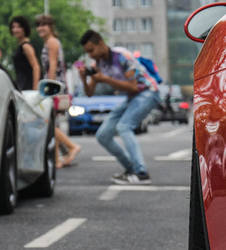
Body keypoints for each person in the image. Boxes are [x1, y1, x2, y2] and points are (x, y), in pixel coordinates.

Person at [77, 30, 161, 185]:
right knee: (102, 135)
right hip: (131, 98)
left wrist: (106, 79)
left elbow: (133, 87)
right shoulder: (97, 65)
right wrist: (84, 79)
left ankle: (142, 174)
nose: (90, 55)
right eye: (87, 52)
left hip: (149, 92)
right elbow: (89, 93)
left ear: (100, 44)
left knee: (124, 126)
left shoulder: (122, 56)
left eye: (91, 50)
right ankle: (131, 169)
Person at [35, 14, 81, 168]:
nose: (40, 28)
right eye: (38, 25)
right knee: (51, 122)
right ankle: (58, 158)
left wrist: (49, 86)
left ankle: (71, 147)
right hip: (56, 85)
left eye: (44, 24)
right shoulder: (50, 42)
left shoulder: (52, 42)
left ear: (51, 26)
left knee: (49, 123)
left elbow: (53, 64)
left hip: (55, 86)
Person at [9, 16, 40, 90]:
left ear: (24, 28)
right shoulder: (20, 46)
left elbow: (36, 67)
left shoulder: (26, 46)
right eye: (13, 27)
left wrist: (35, 89)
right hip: (22, 85)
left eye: (19, 27)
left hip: (28, 86)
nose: (15, 30)